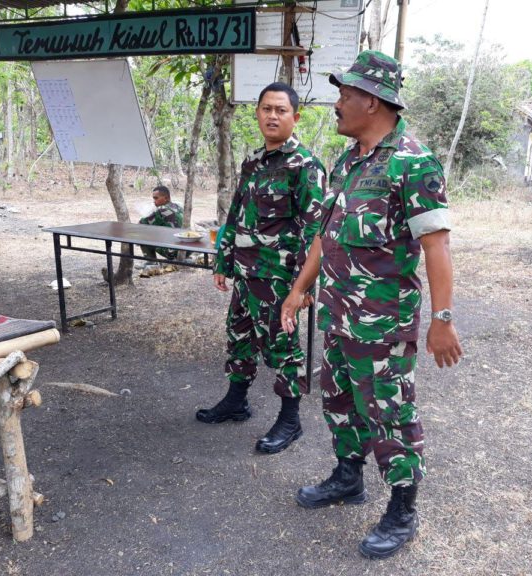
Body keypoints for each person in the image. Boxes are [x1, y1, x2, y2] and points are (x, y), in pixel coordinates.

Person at [280, 51, 463, 559]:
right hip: (339, 316)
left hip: (383, 324)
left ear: (373, 102)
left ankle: (403, 510)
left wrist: (443, 320)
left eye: (345, 95)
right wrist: (300, 288)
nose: (337, 104)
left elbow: (436, 247)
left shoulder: (413, 161)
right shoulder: (351, 159)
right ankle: (347, 478)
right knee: (338, 400)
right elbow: (327, 232)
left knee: (389, 413)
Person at [196, 82, 326, 455]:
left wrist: (303, 287)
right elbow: (236, 213)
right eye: (266, 109)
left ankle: (290, 419)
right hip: (246, 274)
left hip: (279, 278)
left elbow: (314, 230)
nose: (272, 116)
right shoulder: (252, 162)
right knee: (238, 338)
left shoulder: (305, 166)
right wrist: (224, 259)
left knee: (282, 347)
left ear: (295, 117)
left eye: (280, 110)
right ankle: (236, 401)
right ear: (257, 113)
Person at [137, 185, 183, 265]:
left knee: (142, 233)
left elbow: (140, 224)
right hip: (187, 250)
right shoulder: (178, 207)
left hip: (173, 252)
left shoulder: (161, 211)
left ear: (166, 198)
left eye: (156, 198)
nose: (154, 201)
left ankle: (151, 262)